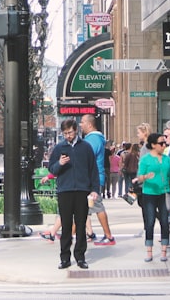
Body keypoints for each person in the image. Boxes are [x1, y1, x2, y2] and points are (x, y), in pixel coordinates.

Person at [45, 119, 99, 270]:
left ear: (76, 130)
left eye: (70, 132)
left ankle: (80, 257)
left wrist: (95, 189)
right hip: (65, 190)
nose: (68, 136)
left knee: (81, 225)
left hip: (82, 190)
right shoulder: (59, 148)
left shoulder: (86, 147)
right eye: (65, 133)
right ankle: (65, 258)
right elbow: (52, 169)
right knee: (66, 225)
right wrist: (60, 164)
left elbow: (93, 170)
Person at [136, 132, 170, 262]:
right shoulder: (145, 159)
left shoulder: (166, 159)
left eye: (165, 143)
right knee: (150, 221)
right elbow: (139, 177)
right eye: (161, 143)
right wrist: (146, 177)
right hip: (149, 193)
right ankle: (149, 251)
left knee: (164, 220)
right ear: (153, 145)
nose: (164, 145)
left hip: (163, 193)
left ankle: (164, 251)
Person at [80, 114, 115, 245]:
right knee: (85, 209)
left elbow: (86, 157)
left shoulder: (93, 139)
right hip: (91, 178)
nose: (80, 124)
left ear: (89, 124)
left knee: (98, 207)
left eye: (82, 122)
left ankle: (109, 236)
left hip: (92, 179)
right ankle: (87, 233)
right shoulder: (95, 138)